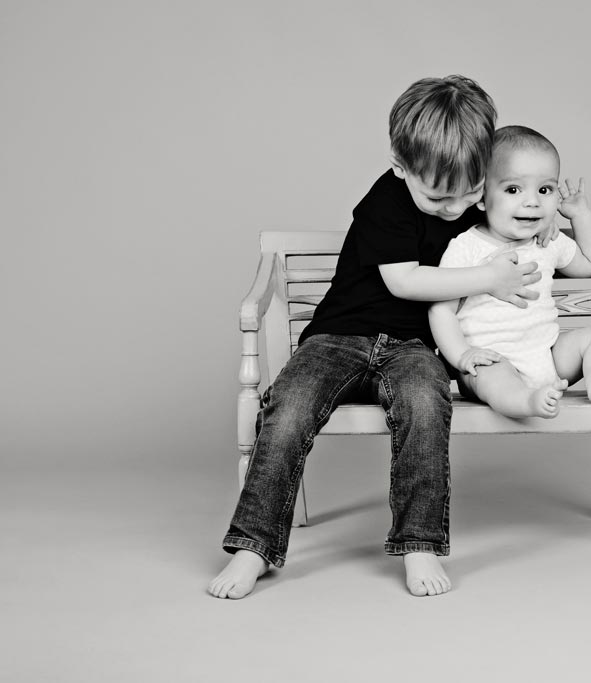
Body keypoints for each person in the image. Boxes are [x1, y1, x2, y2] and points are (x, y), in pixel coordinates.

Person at [209, 76, 557, 600]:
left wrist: (549, 223)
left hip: (415, 349)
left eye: (469, 192)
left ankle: (419, 542)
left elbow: (525, 204)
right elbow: (405, 281)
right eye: (439, 197)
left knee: (425, 404)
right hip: (338, 336)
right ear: (401, 167)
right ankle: (253, 546)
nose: (453, 209)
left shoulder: (472, 201)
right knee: (289, 406)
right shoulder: (386, 201)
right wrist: (489, 279)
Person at [429, 126, 591, 420]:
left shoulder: (546, 240)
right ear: (480, 196)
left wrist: (580, 215)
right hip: (490, 361)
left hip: (548, 357)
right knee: (496, 377)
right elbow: (441, 310)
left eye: (545, 190)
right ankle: (526, 402)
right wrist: (462, 356)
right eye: (513, 190)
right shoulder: (466, 247)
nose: (532, 202)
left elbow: (589, 262)